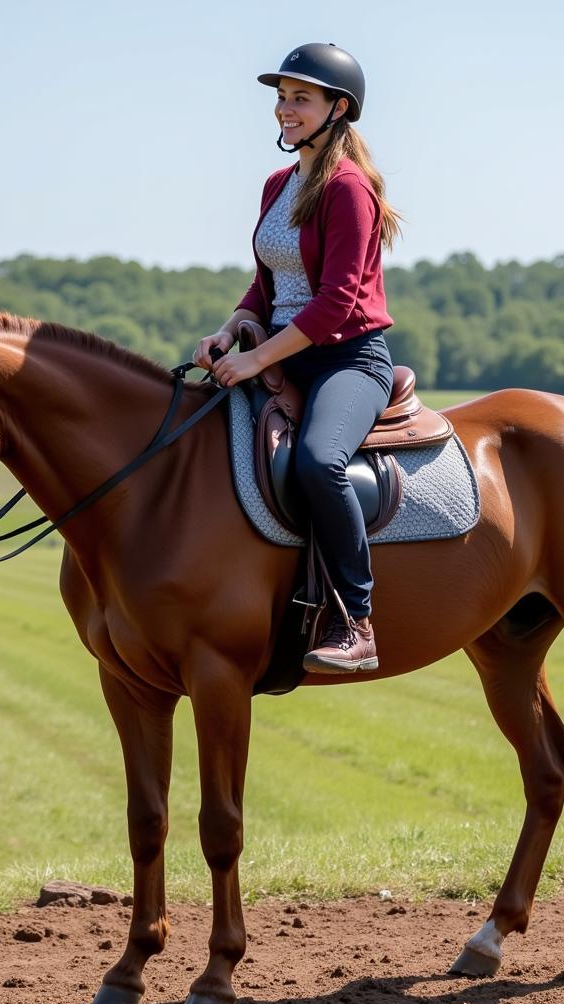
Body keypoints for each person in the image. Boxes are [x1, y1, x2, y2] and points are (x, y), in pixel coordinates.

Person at [194, 42, 402, 674]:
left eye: (300, 99)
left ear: (339, 108)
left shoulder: (349, 189)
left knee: (317, 462)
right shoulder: (277, 185)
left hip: (349, 360)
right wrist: (231, 330)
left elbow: (337, 302)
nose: (285, 110)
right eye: (281, 98)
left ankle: (357, 622)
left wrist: (258, 363)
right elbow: (267, 286)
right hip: (280, 352)